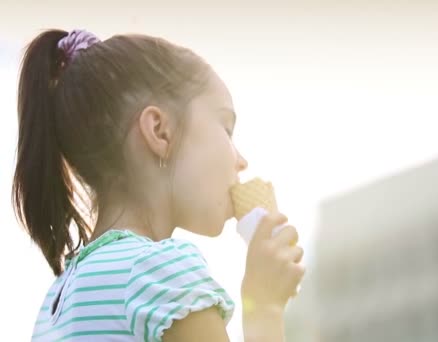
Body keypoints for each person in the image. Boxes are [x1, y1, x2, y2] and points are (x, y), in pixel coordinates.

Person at [12, 29, 305, 341]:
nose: (241, 160)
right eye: (226, 127)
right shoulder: (161, 272)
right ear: (160, 131)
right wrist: (264, 308)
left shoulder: (56, 299)